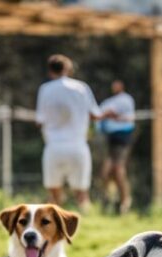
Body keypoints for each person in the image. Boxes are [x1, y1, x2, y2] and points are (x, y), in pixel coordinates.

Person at [35, 54, 104, 211]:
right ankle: (90, 224)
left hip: (54, 147)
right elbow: (95, 114)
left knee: (54, 197)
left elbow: (39, 120)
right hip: (78, 146)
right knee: (82, 194)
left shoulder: (45, 89)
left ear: (50, 71)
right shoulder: (81, 88)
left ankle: (55, 228)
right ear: (67, 69)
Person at [97, 80, 136, 214]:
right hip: (110, 139)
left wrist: (111, 116)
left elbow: (126, 117)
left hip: (122, 138)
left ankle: (125, 202)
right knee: (106, 172)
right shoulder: (108, 101)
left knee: (118, 170)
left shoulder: (126, 100)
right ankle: (108, 200)